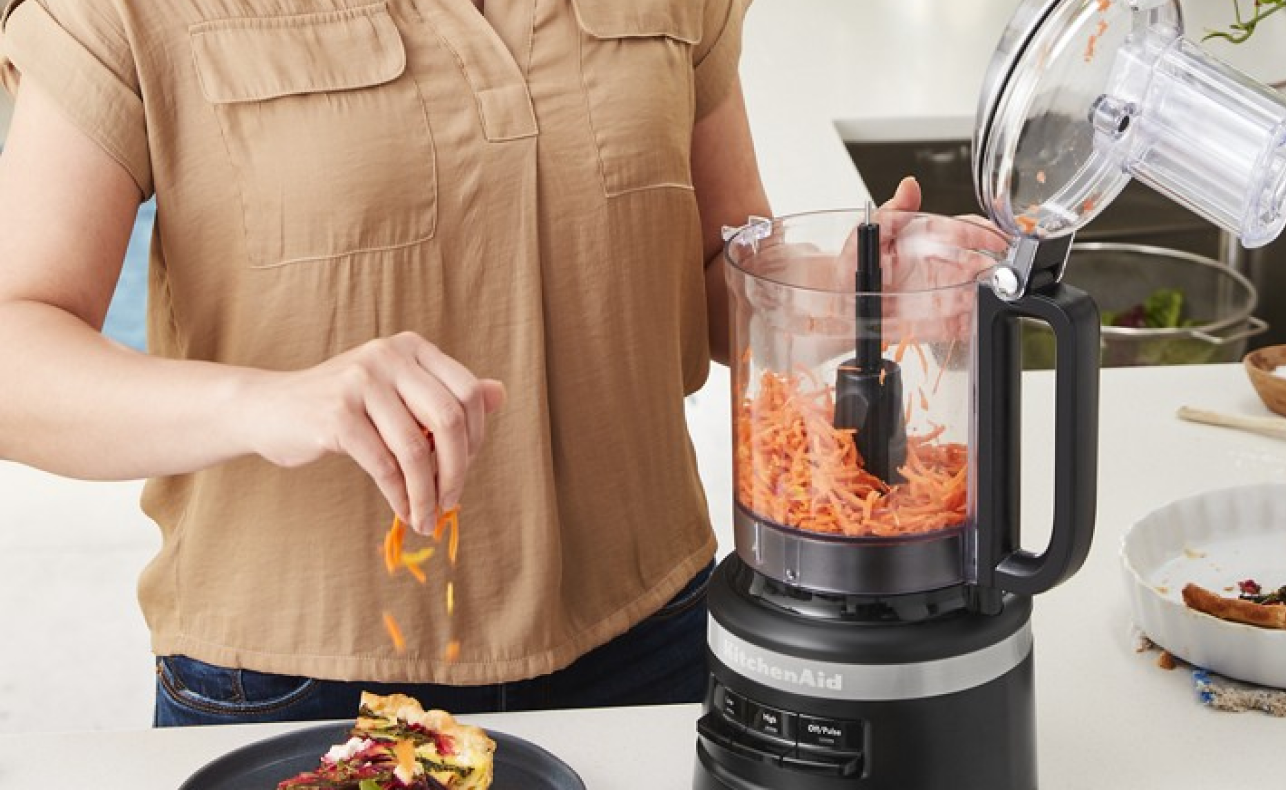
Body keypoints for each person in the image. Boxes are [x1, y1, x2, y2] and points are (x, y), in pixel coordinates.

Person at [0, 0, 939, 726]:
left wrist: (837, 291)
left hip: (656, 640)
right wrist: (272, 403)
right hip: (300, 682)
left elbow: (706, 275)